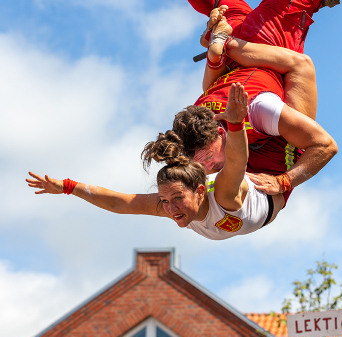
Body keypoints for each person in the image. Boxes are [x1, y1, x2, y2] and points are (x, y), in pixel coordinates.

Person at [141, 0, 339, 195]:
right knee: (226, 0)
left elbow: (322, 142)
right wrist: (216, 50)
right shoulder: (198, 121)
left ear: (219, 133)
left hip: (265, 43)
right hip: (239, 51)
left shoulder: (257, 111)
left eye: (206, 160)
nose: (208, 167)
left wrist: (225, 45)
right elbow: (210, 86)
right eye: (202, 165)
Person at [26, 85, 287, 241]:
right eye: (164, 201)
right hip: (242, 174)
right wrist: (69, 186)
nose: (170, 209)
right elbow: (120, 203)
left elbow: (238, 159)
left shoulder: (225, 193)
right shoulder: (174, 202)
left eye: (175, 199)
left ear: (199, 192)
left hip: (272, 179)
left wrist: (235, 123)